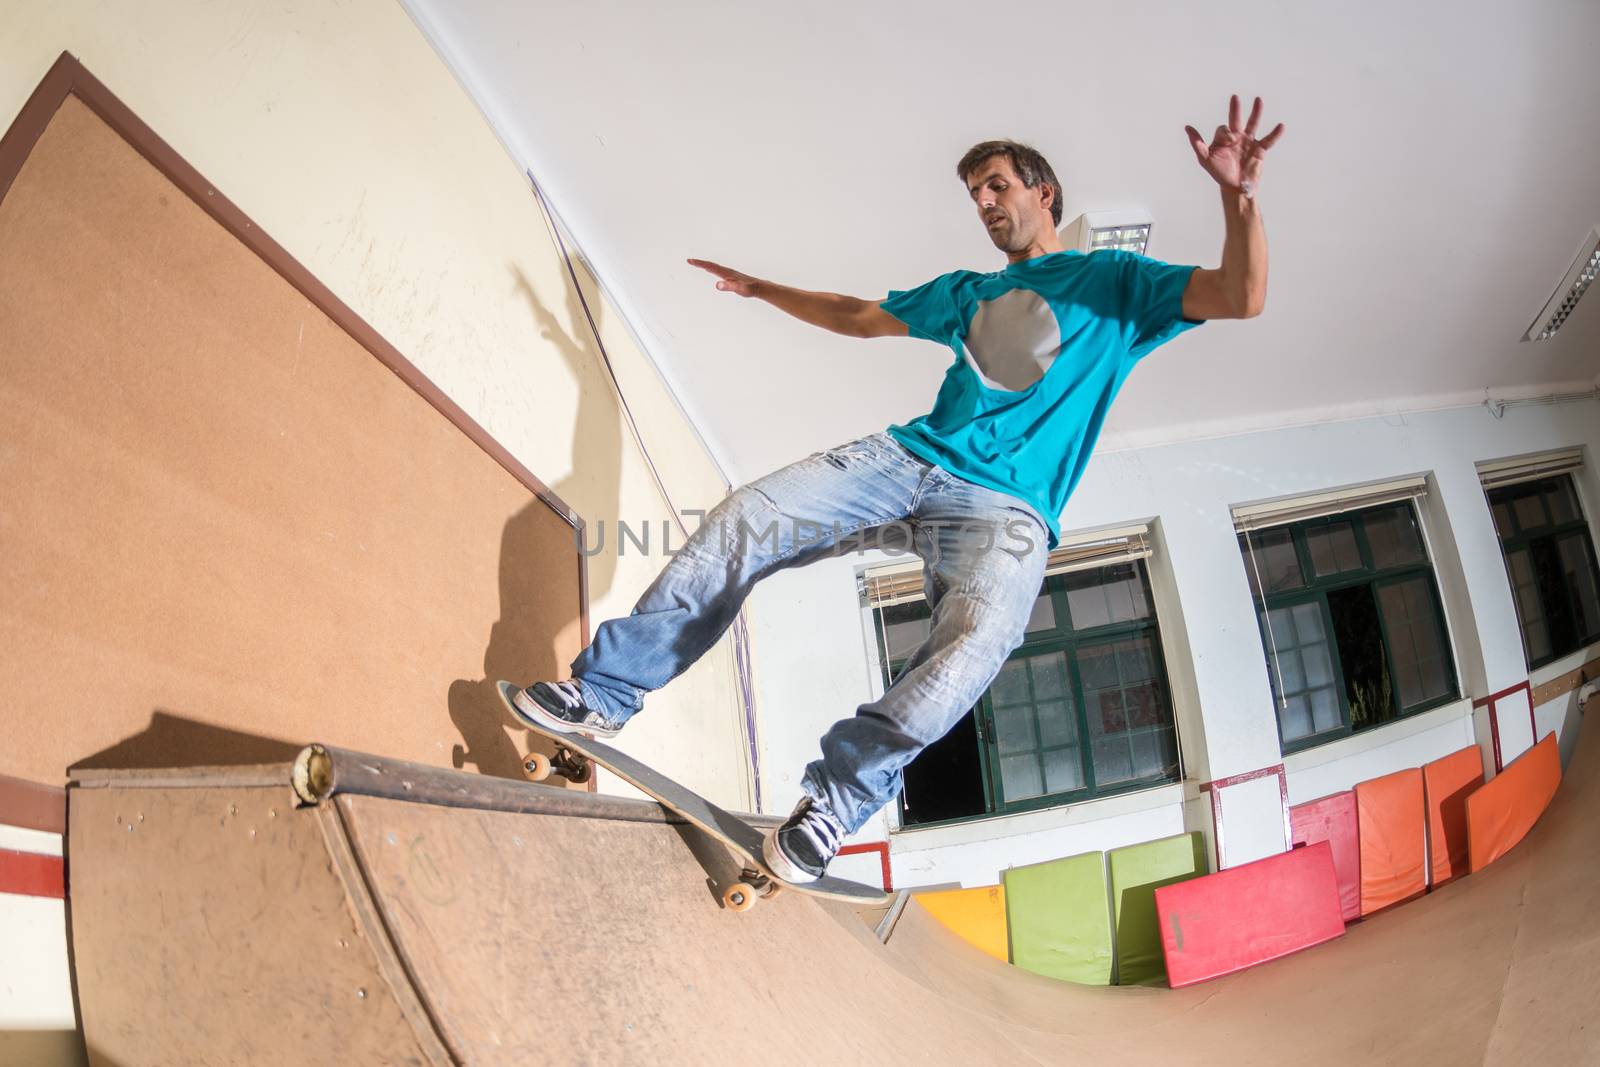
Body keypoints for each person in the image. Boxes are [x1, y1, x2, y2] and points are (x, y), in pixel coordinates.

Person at [511, 95, 1284, 884]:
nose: (984, 205)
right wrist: (761, 288)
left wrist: (1238, 196)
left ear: (1042, 191)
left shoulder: (1114, 284)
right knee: (750, 515)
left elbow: (1240, 296)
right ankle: (605, 691)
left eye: (995, 186)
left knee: (979, 638)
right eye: (975, 195)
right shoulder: (968, 292)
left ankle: (838, 801)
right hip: (906, 462)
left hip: (1006, 509)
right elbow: (857, 315)